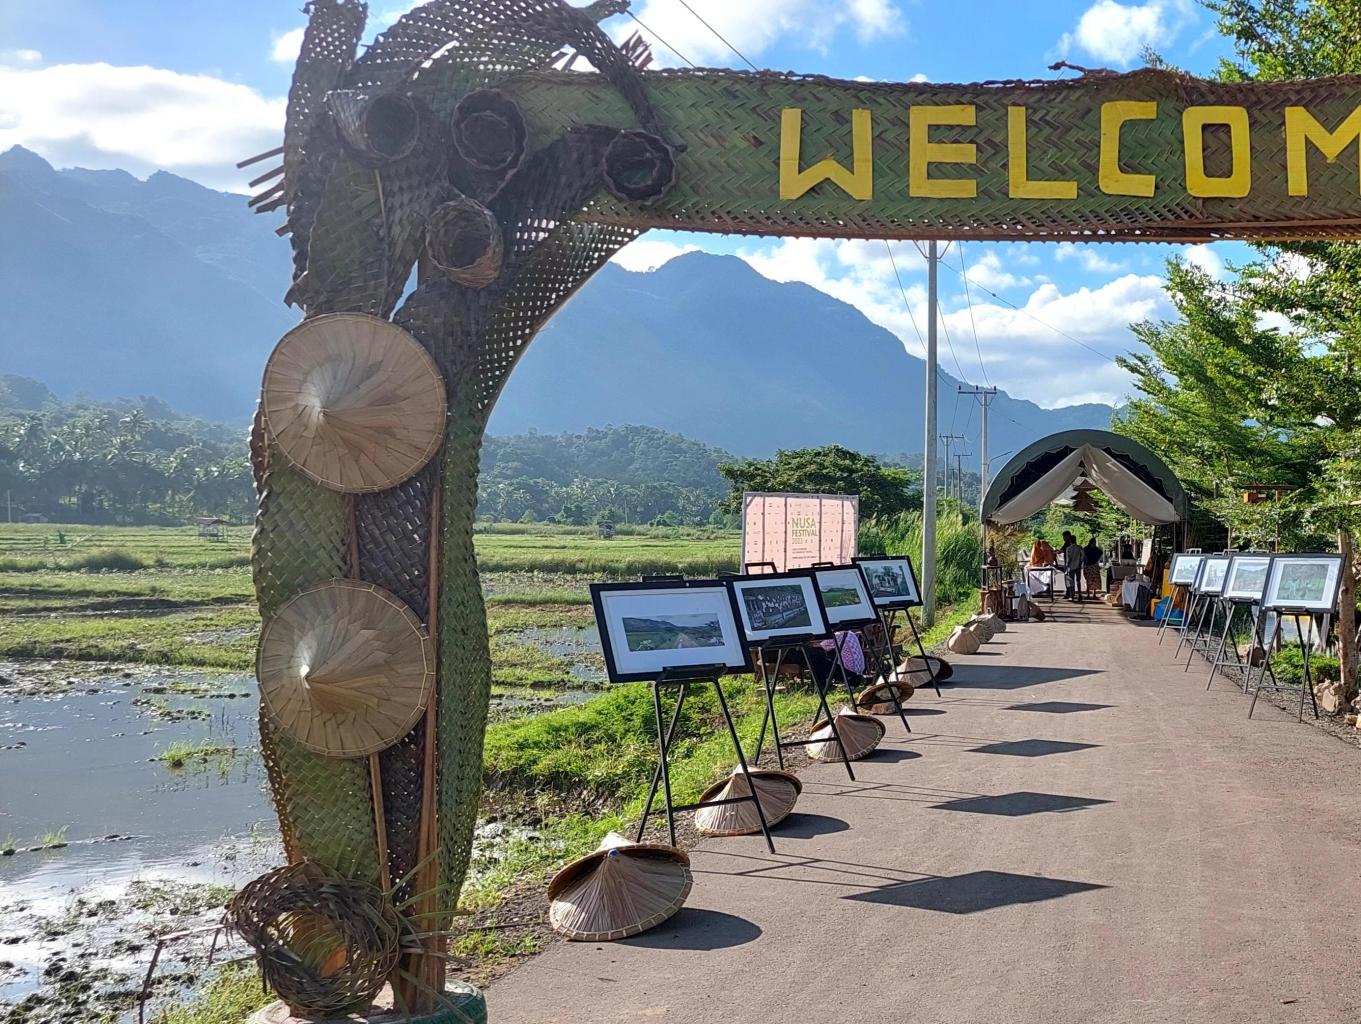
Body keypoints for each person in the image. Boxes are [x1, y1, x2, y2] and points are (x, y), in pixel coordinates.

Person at [1060, 531, 1085, 602]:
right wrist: (1080, 562)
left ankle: (1071, 596)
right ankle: (1079, 595)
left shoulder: (1068, 548)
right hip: (1078, 566)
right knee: (1078, 581)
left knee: (1071, 581)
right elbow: (1082, 557)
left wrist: (1067, 567)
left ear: (1070, 541)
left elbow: (1068, 559)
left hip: (1070, 567)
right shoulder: (1080, 547)